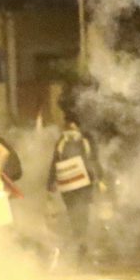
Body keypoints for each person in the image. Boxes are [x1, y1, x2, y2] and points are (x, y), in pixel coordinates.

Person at [49, 112, 103, 266]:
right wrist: (51, 183)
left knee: (83, 212)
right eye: (67, 124)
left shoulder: (86, 140)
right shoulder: (62, 141)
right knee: (73, 213)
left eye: (71, 124)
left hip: (84, 184)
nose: (69, 127)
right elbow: (55, 161)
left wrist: (100, 178)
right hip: (68, 185)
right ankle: (79, 242)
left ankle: (82, 243)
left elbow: (94, 159)